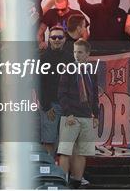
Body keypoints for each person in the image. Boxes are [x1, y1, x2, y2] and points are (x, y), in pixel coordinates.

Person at [57, 39, 99, 189]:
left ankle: (76, 181)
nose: (76, 55)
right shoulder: (68, 69)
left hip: (87, 115)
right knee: (65, 150)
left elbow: (94, 94)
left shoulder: (91, 71)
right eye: (74, 52)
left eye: (80, 52)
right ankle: (62, 182)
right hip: (71, 116)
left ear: (87, 54)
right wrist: (68, 113)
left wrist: (96, 114)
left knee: (83, 151)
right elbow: (61, 94)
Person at [39, 26, 73, 156]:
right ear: (49, 39)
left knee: (66, 142)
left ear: (64, 39)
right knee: (48, 140)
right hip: (50, 105)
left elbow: (74, 83)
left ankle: (62, 173)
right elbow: (39, 84)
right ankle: (50, 171)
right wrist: (47, 106)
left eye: (60, 37)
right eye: (54, 37)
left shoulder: (70, 58)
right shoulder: (42, 58)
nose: (57, 40)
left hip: (67, 107)